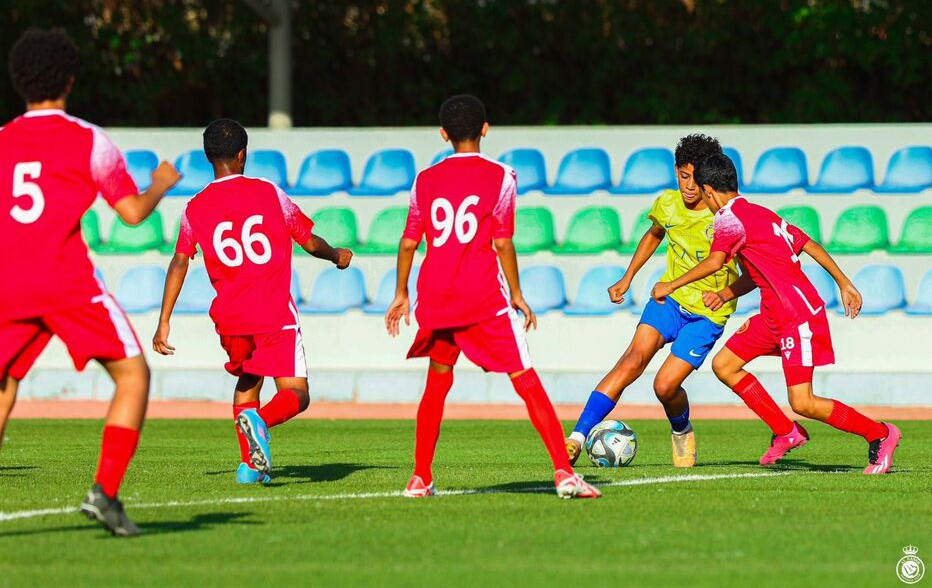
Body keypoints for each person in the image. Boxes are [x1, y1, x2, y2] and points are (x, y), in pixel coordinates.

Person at [0, 28, 182, 536]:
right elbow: (130, 214)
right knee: (132, 375)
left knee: (4, 386)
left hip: (6, 281)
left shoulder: (2, 140)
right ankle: (104, 492)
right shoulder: (88, 139)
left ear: (19, 82)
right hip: (64, 280)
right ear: (71, 80)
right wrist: (161, 185)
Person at [385, 94, 600, 499]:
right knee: (525, 378)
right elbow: (502, 243)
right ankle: (564, 473)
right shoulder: (502, 176)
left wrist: (400, 294)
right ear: (485, 129)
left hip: (436, 295)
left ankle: (420, 476)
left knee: (437, 383)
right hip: (481, 295)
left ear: (443, 134)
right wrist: (517, 294)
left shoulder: (424, 180)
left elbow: (409, 243)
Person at [651, 152, 901, 473]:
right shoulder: (760, 213)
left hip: (797, 316)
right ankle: (786, 431)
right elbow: (805, 245)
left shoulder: (727, 219)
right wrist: (843, 282)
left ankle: (880, 434)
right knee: (725, 365)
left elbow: (715, 262)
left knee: (803, 402)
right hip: (773, 315)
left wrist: (670, 285)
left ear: (709, 191)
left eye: (701, 192)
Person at [153, 119, 352, 484]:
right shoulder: (268, 193)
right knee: (297, 394)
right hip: (272, 311)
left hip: (230, 318)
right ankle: (261, 422)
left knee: (248, 381)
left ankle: (251, 468)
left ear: (208, 157)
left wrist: (164, 319)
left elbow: (180, 259)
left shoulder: (195, 207)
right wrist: (336, 255)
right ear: (243, 154)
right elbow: (308, 241)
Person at [566, 134, 742, 468]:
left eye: (696, 179)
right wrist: (627, 276)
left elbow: (747, 266)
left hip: (707, 314)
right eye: (683, 176)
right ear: (676, 171)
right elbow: (655, 234)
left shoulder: (726, 215)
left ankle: (681, 428)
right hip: (670, 302)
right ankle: (575, 439)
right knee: (632, 359)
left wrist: (727, 294)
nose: (689, 186)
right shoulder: (667, 203)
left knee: (664, 386)